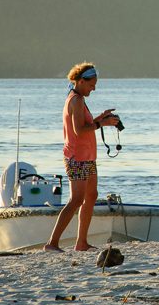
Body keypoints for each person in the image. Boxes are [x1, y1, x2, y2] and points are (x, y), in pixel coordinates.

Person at [44, 62, 119, 252]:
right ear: (81, 81)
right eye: (91, 84)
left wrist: (100, 119)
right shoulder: (75, 100)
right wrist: (101, 124)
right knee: (76, 200)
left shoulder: (79, 99)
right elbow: (79, 130)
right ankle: (52, 243)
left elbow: (84, 125)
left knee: (91, 196)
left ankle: (81, 242)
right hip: (77, 157)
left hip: (87, 156)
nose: (94, 88)